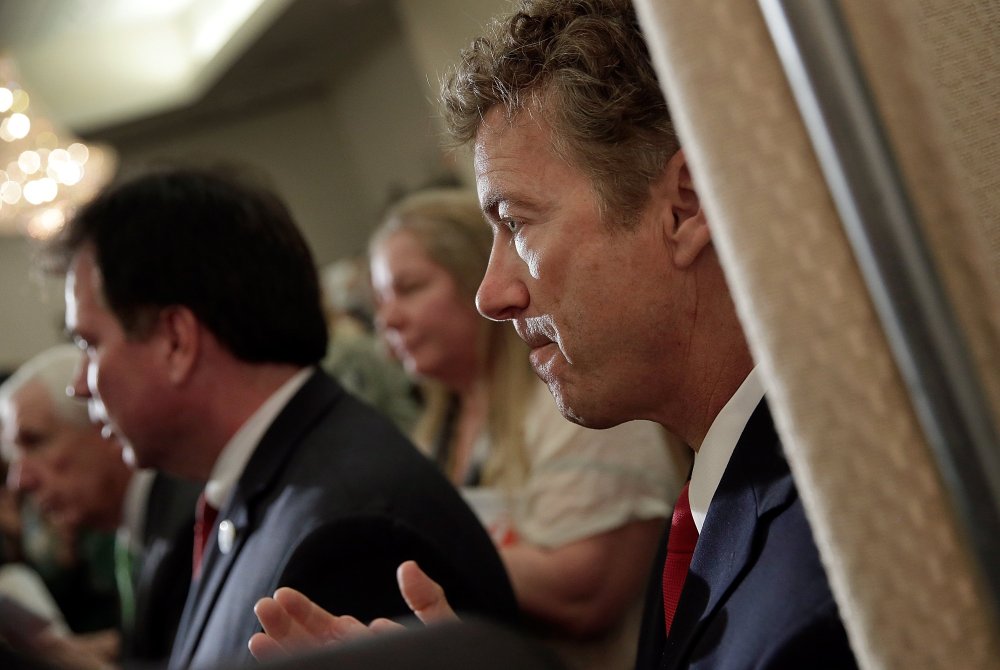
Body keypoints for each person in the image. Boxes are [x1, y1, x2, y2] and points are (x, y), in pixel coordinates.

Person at [249, 1, 858, 669]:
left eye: (516, 223)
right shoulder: (721, 490)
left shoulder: (843, 553)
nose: (491, 294)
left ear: (683, 208)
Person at [45, 167, 518, 670]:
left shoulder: (345, 530)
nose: (80, 384)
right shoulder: (276, 480)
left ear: (177, 341)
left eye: (90, 344)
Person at [366, 188, 688, 668]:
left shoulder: (582, 405)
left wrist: (405, 546)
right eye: (381, 299)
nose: (387, 319)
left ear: (477, 277)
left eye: (410, 288)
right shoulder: (439, 427)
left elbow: (583, 593)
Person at [0, 344, 200, 665]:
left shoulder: (189, 525)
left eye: (34, 441)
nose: (19, 480)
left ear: (105, 424)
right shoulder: (137, 525)